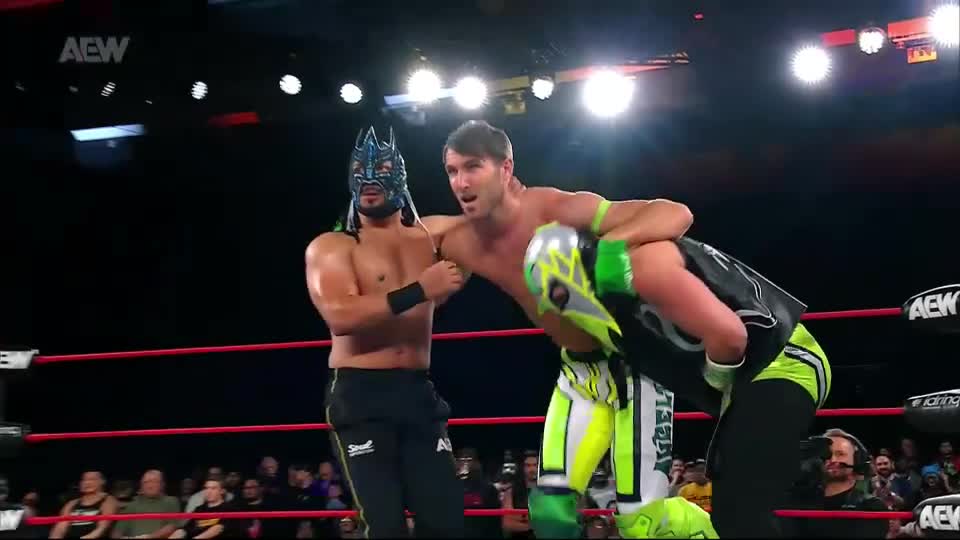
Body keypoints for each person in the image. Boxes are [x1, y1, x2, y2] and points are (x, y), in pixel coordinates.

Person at [437, 120, 716, 538]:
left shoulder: (555, 210)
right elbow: (393, 238)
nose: (461, 182)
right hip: (579, 376)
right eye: (452, 171)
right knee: (550, 513)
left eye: (473, 167)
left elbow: (675, 213)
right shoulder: (460, 239)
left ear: (506, 168)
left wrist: (612, 245)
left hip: (636, 368)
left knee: (641, 524)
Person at [520, 190, 834, 533]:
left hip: (784, 361)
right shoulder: (612, 309)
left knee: (741, 514)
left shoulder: (643, 267)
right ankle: (795, 462)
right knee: (734, 508)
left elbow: (730, 337)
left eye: (558, 296)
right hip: (754, 380)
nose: (561, 310)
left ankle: (794, 460)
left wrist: (716, 381)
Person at [306, 126, 466, 538]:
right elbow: (340, 316)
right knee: (384, 526)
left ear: (401, 176)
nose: (369, 179)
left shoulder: (433, 236)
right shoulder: (333, 246)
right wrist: (421, 290)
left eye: (380, 171)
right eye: (360, 170)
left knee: (447, 521)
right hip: (360, 395)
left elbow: (496, 222)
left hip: (417, 391)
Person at [50, 471, 118, 539]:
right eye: (84, 480)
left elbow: (102, 528)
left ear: (102, 482)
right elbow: (60, 528)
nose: (87, 482)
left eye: (92, 479)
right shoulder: (72, 504)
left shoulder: (109, 500)